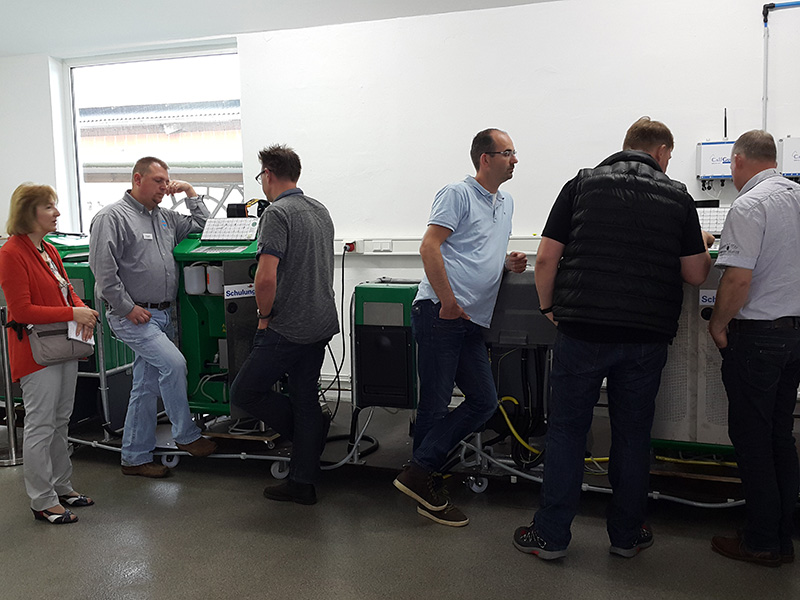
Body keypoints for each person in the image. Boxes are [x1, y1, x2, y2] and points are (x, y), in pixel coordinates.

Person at [513, 117, 713, 559]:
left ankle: (551, 536)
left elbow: (546, 258)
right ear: (661, 152)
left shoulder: (582, 184)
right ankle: (626, 535)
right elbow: (696, 273)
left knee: (567, 430)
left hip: (582, 329)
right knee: (632, 434)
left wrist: (548, 309)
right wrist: (702, 240)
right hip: (645, 337)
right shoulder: (678, 195)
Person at [393, 128, 527, 527]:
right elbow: (429, 246)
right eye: (507, 152)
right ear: (485, 158)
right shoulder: (457, 194)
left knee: (484, 402)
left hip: (471, 320)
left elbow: (476, 250)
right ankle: (425, 484)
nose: (515, 160)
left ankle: (419, 473)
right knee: (435, 405)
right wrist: (448, 302)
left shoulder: (506, 203)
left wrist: (505, 264)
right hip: (441, 312)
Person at [89, 157, 217, 478]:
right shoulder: (112, 217)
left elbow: (206, 227)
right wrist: (126, 307)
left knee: (145, 387)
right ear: (137, 179)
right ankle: (186, 434)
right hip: (133, 316)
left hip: (162, 314)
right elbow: (103, 272)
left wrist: (189, 192)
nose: (164, 187)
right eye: (158, 181)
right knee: (174, 365)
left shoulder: (165, 217)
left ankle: (135, 457)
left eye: (166, 181)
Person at [708, 130, 800, 568]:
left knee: (752, 438)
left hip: (759, 337)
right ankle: (782, 537)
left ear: (739, 161)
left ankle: (760, 541)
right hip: (795, 336)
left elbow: (737, 279)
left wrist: (718, 324)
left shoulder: (749, 205)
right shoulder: (796, 197)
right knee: (780, 434)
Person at [230, 144, 339, 506]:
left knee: (245, 392)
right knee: (304, 397)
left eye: (260, 175)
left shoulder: (277, 213)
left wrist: (263, 317)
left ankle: (312, 436)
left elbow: (265, 276)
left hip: (288, 325)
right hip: (320, 320)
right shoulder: (319, 209)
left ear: (269, 175)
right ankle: (302, 480)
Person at [0, 184, 99, 524]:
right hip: (35, 352)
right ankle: (42, 499)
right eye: (48, 207)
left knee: (60, 419)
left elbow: (67, 290)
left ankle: (61, 486)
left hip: (61, 346)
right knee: (40, 424)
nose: (57, 213)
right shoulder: (11, 253)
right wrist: (73, 314)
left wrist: (83, 310)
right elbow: (21, 310)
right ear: (28, 212)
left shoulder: (49, 249)